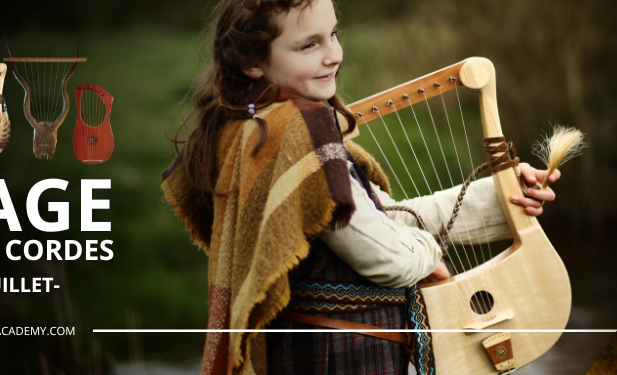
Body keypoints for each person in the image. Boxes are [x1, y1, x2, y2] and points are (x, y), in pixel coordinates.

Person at [161, 0, 560, 374]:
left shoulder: (254, 127)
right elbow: (389, 259)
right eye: (308, 45)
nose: (333, 54)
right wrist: (429, 256)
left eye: (333, 34)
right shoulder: (295, 137)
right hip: (340, 358)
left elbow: (379, 220)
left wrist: (502, 197)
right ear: (252, 62)